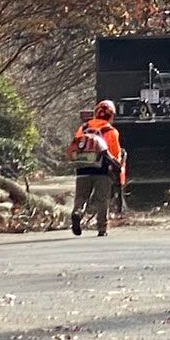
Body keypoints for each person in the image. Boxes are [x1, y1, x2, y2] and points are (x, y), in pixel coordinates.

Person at [67, 100, 123, 237]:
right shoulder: (111, 131)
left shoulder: (84, 128)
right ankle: (102, 229)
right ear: (111, 116)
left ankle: (77, 213)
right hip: (102, 171)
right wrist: (118, 168)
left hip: (82, 170)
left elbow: (76, 146)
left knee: (81, 197)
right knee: (102, 199)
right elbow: (115, 153)